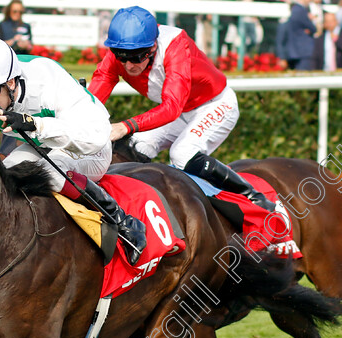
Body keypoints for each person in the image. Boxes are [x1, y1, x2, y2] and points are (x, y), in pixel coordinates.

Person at [0, 36, 146, 264]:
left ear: (11, 83)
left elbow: (96, 137)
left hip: (89, 150)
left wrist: (35, 124)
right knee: (5, 173)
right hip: (43, 147)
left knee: (41, 169)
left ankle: (123, 221)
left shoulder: (48, 81)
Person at [89, 6, 274, 209]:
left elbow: (171, 108)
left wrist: (125, 126)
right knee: (134, 146)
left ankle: (254, 198)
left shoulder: (175, 45)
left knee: (182, 153)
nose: (128, 65)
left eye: (136, 57)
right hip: (182, 111)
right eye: (121, 56)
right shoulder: (123, 50)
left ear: (152, 48)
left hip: (215, 105)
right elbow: (95, 92)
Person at [285, 0, 317, 70]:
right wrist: (312, 20)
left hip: (296, 51)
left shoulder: (295, 9)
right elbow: (313, 29)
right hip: (303, 51)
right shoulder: (301, 11)